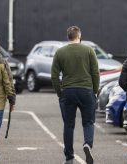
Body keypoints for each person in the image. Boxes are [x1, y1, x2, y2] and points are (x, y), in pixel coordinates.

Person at [51, 26, 100, 164]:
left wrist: (59, 92)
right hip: (86, 91)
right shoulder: (89, 50)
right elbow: (95, 72)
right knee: (88, 122)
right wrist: (94, 90)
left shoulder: (60, 52)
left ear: (68, 37)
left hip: (68, 91)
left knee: (68, 125)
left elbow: (54, 76)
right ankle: (87, 144)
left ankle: (69, 158)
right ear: (79, 36)